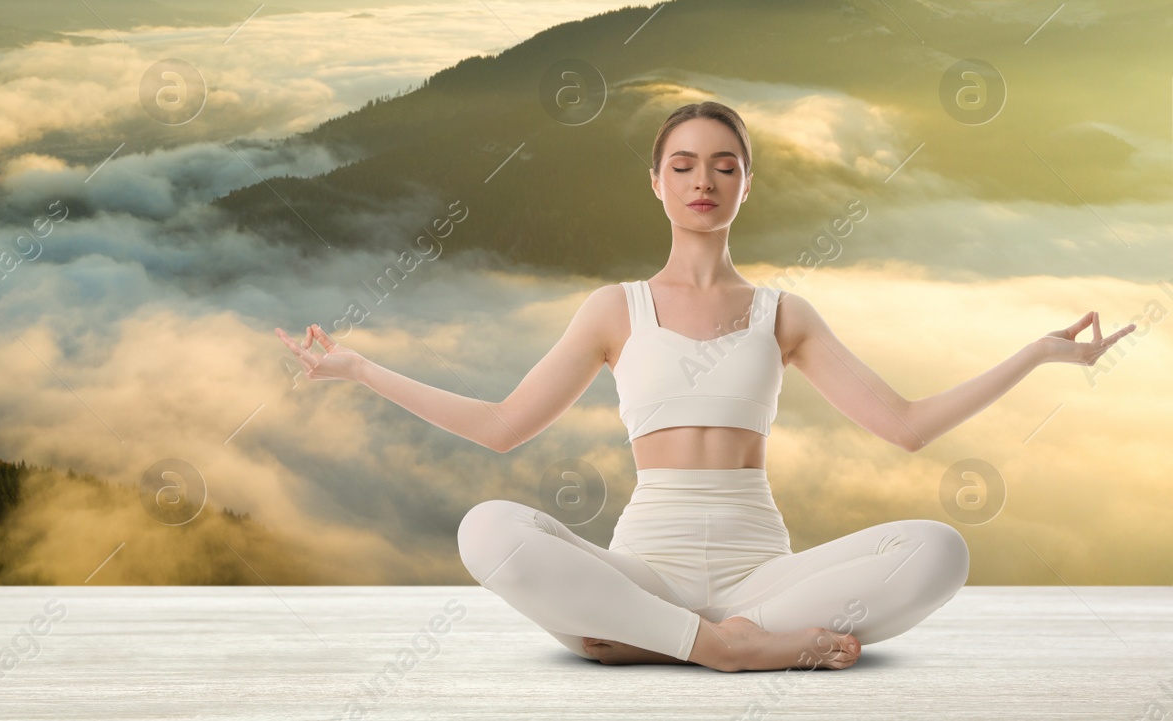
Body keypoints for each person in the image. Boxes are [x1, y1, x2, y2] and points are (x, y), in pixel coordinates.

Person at [274, 100, 1135, 672]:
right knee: (487, 526)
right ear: (656, 182)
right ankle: (714, 646)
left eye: (724, 166)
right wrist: (358, 368)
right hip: (646, 570)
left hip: (768, 580)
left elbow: (905, 425)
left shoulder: (783, 313)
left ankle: (670, 643)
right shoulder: (614, 309)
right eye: (683, 165)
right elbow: (503, 426)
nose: (702, 181)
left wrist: (1035, 355)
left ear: (746, 184)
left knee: (942, 547)